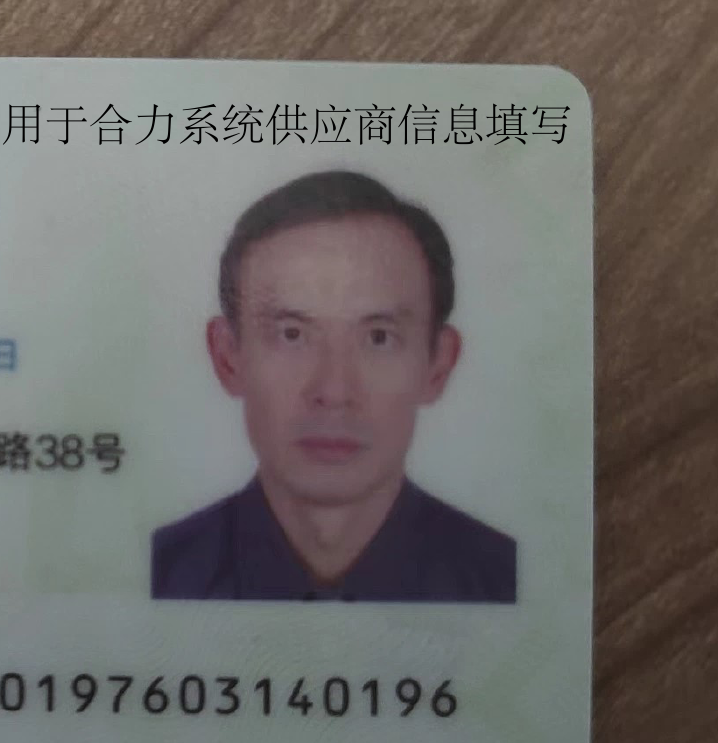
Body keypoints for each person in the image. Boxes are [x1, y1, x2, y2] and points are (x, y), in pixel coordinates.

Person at [152, 170, 516, 603]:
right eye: (292, 334)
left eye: (378, 338)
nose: (334, 392)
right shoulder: (151, 579)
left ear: (438, 365)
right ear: (228, 357)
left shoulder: (511, 586)